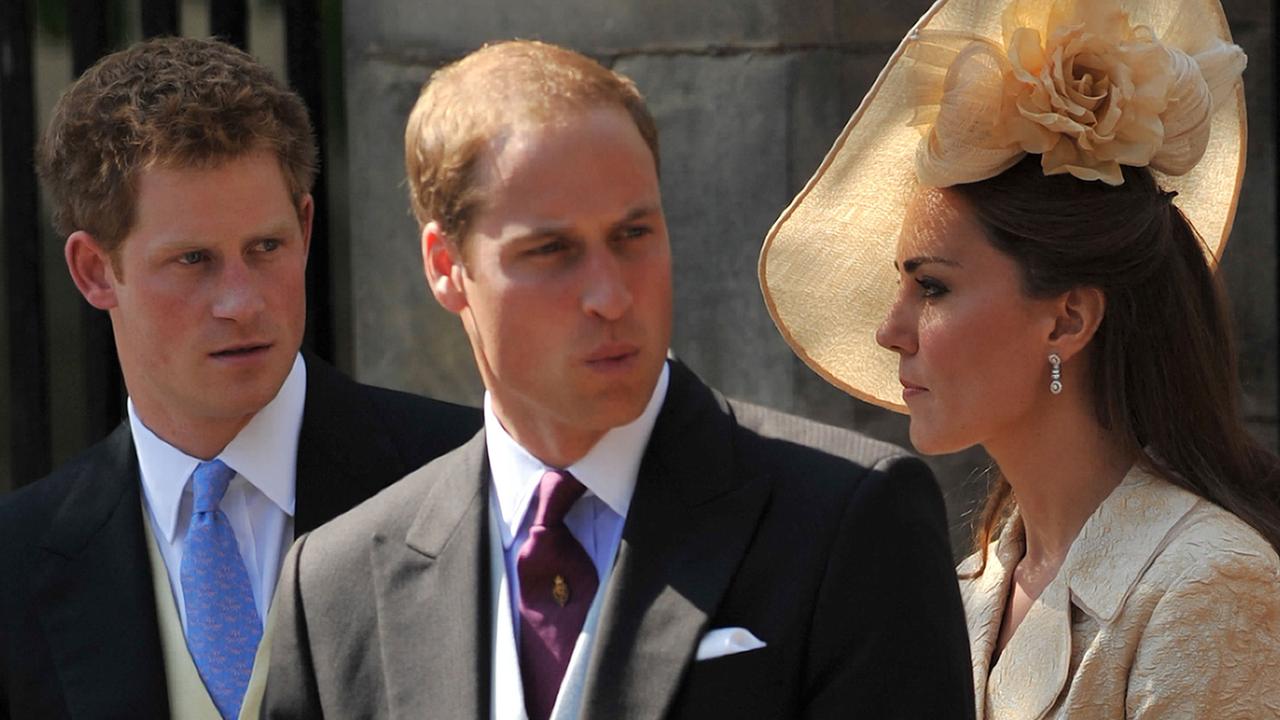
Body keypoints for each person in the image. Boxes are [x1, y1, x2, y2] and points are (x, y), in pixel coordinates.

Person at [263, 39, 974, 719]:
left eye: (633, 236)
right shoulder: (333, 587)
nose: (610, 295)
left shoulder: (849, 520)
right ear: (446, 267)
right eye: (551, 251)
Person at [760, 0, 1280, 717]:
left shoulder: (1211, 583)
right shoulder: (975, 581)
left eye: (932, 287)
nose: (890, 330)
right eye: (901, 287)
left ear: (1067, 320)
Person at [0, 37, 480, 720]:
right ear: (94, 271)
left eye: (266, 248)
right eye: (194, 259)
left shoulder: (464, 482)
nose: (242, 302)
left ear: (305, 227)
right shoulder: (16, 568)